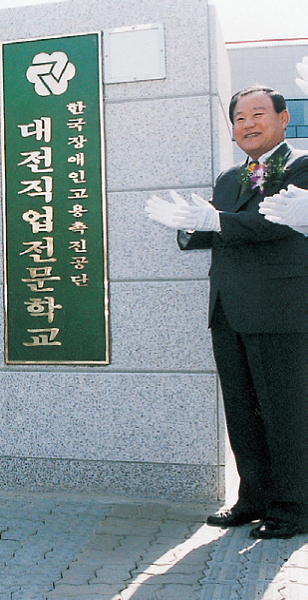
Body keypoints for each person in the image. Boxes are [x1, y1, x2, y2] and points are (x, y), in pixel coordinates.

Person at [146, 85, 308, 540]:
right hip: (228, 309)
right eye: (239, 117)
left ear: (282, 117)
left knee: (286, 410)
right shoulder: (228, 177)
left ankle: (294, 506)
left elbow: (273, 224)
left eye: (258, 114)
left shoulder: (302, 167)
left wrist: (215, 221)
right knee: (242, 410)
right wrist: (188, 227)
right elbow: (222, 228)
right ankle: (253, 497)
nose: (248, 124)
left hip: (281, 310)